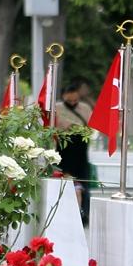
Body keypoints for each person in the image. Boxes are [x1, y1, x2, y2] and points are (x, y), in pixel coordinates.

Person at [53, 82, 94, 223]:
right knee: (62, 182)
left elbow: (90, 127)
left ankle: (84, 215)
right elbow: (53, 127)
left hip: (80, 150)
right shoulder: (57, 108)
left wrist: (77, 128)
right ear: (64, 96)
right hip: (63, 149)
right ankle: (61, 214)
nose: (72, 103)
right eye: (69, 100)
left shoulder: (85, 108)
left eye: (75, 100)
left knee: (83, 184)